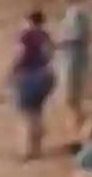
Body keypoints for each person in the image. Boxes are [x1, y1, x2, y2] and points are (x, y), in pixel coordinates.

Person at [7, 9, 59, 159]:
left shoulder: (24, 36)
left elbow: (20, 54)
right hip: (45, 75)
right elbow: (51, 53)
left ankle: (28, 150)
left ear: (28, 20)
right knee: (38, 112)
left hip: (27, 76)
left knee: (26, 114)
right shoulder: (46, 36)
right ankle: (38, 148)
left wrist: (12, 70)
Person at [56, 0, 92, 138]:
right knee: (72, 97)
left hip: (73, 57)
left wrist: (58, 43)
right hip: (72, 56)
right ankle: (76, 128)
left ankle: (78, 129)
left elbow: (78, 37)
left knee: (71, 97)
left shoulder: (77, 13)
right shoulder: (75, 12)